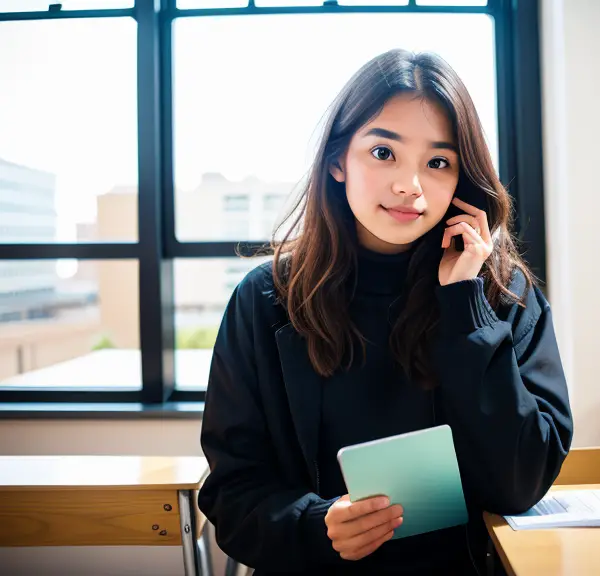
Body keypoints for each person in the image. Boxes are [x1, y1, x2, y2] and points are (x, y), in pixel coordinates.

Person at [197, 48, 573, 575]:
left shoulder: (498, 292)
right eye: (383, 153)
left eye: (438, 162)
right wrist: (315, 524)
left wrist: (464, 307)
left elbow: (522, 483)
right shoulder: (267, 298)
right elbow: (232, 491)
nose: (410, 185)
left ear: (461, 181)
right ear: (336, 161)